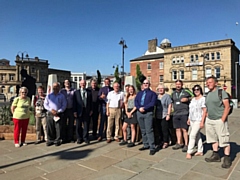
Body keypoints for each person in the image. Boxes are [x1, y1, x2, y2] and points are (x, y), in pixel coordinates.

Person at [204, 76, 232, 168]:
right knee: (212, 138)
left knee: (224, 139)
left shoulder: (221, 92)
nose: (208, 84)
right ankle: (215, 155)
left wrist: (222, 119)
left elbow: (227, 107)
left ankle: (227, 157)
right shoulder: (207, 94)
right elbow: (207, 107)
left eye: (210, 82)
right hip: (210, 120)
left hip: (219, 120)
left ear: (216, 83)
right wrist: (207, 116)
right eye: (207, 82)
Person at [135, 80, 157, 155]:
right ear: (142, 85)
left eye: (147, 83)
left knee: (149, 130)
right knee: (143, 130)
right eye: (144, 83)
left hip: (148, 113)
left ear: (149, 84)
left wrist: (144, 108)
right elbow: (136, 101)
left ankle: (152, 147)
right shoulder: (139, 93)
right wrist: (139, 108)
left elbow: (153, 103)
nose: (145, 84)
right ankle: (146, 144)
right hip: (139, 113)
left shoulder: (153, 94)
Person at [171, 80, 192, 152]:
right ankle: (179, 143)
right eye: (176, 84)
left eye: (179, 84)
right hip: (176, 113)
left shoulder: (186, 91)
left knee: (184, 129)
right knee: (177, 129)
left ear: (182, 84)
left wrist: (187, 99)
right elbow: (171, 102)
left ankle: (186, 144)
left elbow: (194, 96)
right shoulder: (173, 93)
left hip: (184, 113)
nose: (178, 85)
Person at [186, 85, 206, 159]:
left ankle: (189, 152)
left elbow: (204, 111)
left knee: (192, 135)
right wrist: (189, 119)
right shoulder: (193, 99)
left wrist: (202, 121)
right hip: (192, 119)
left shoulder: (203, 99)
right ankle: (200, 150)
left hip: (198, 119)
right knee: (197, 136)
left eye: (198, 89)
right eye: (194, 90)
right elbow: (191, 110)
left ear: (200, 90)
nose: (196, 91)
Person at [44, 82, 67, 146]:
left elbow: (64, 105)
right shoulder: (49, 96)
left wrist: (58, 111)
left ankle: (58, 140)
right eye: (54, 87)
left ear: (59, 88)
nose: (55, 88)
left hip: (58, 114)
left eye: (57, 87)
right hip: (50, 113)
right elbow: (45, 104)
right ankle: (50, 140)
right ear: (52, 88)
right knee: (50, 127)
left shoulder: (62, 96)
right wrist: (51, 110)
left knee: (58, 128)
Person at [73, 80, 93, 144]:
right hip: (79, 112)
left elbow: (91, 102)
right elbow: (74, 103)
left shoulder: (89, 92)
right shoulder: (76, 92)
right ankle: (79, 138)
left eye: (84, 83)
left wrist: (91, 110)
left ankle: (85, 138)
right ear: (79, 84)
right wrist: (74, 111)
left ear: (85, 84)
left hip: (87, 111)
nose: (83, 84)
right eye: (81, 83)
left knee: (86, 125)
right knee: (78, 125)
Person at [155, 84, 172, 149]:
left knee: (164, 129)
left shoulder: (167, 96)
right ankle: (161, 141)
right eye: (159, 89)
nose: (160, 90)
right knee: (159, 129)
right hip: (157, 115)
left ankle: (166, 142)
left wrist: (168, 114)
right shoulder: (157, 96)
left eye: (162, 88)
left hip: (164, 115)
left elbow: (169, 105)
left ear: (164, 89)